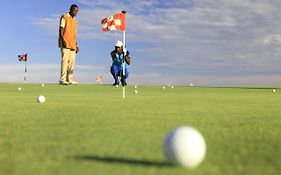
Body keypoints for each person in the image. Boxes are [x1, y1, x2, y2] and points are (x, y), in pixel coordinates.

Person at [58, 4, 79, 85]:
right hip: (65, 42)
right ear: (70, 9)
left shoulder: (74, 20)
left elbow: (74, 34)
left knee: (71, 63)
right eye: (74, 10)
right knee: (65, 61)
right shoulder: (65, 16)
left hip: (72, 44)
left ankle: (69, 79)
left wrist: (76, 45)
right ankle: (62, 79)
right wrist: (63, 40)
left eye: (76, 11)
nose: (75, 12)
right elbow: (61, 29)